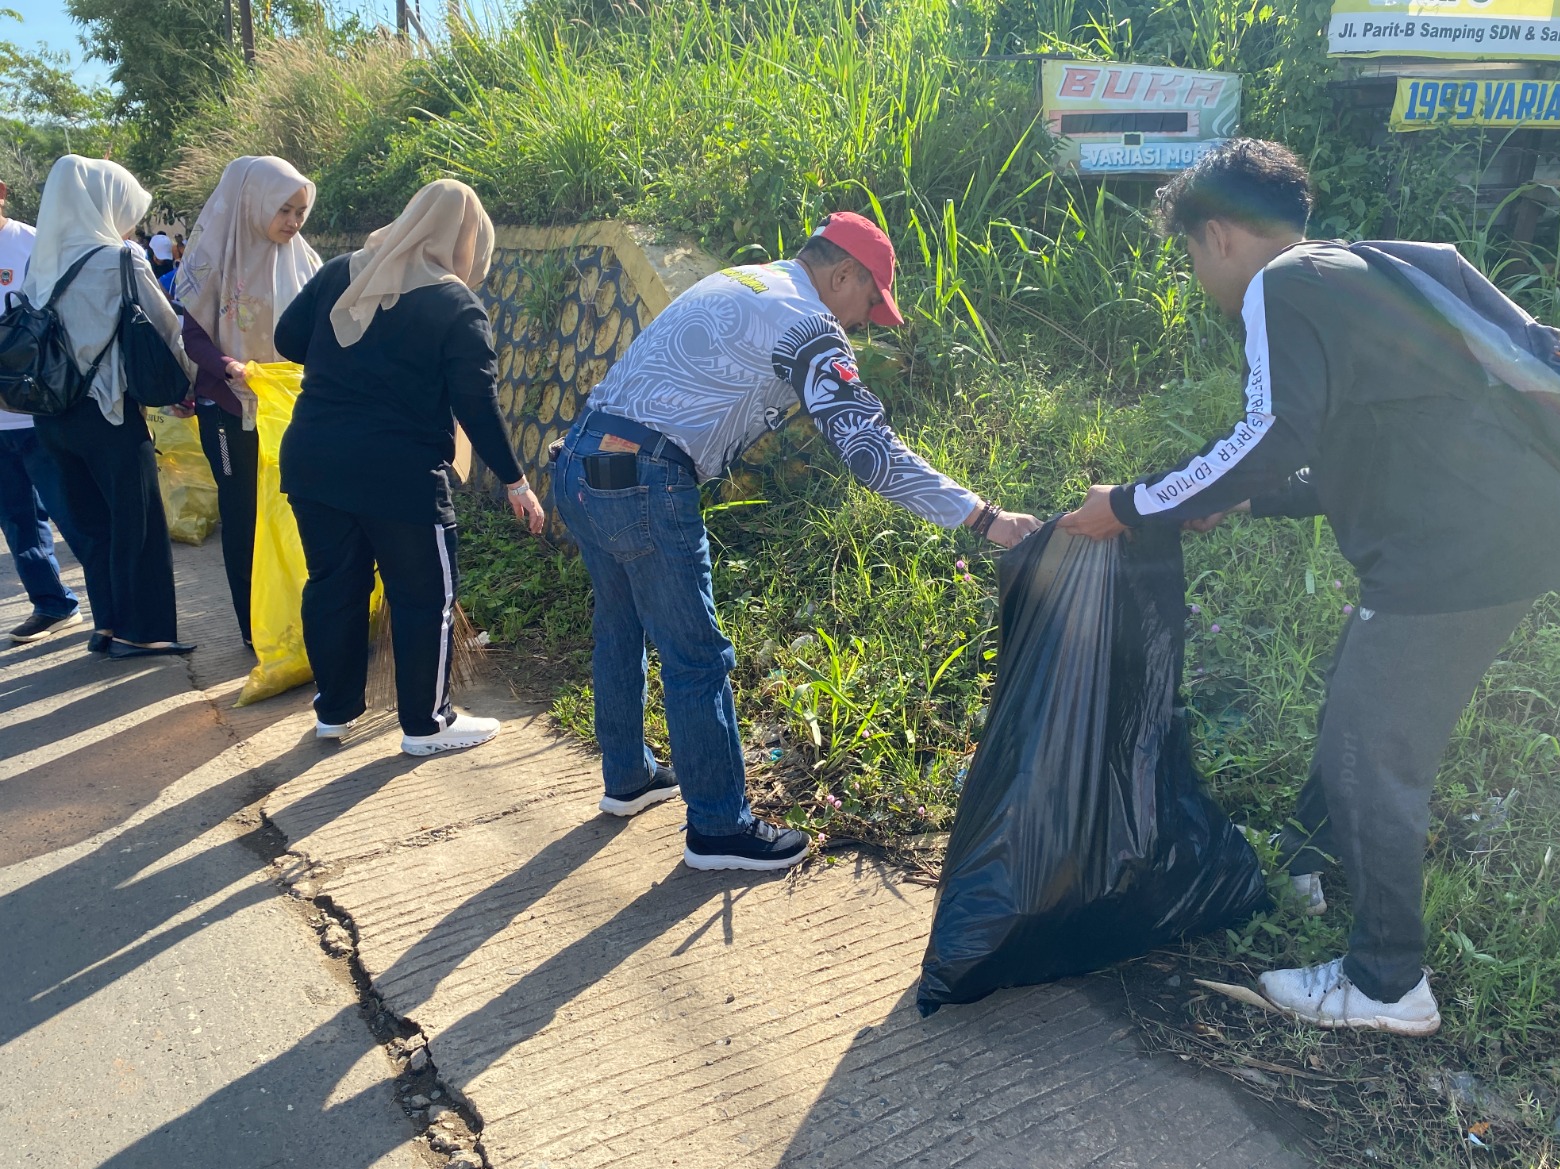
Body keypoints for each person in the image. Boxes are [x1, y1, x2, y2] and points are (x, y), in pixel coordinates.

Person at [1057, 139, 1560, 1036]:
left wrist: (1133, 504)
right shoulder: (1365, 270)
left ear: (1217, 234)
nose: (1199, 277)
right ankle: (1306, 864)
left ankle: (1388, 983)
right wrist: (1237, 506)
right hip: (1509, 527)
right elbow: (1352, 454)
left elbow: (1270, 434)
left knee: (1370, 749)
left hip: (1455, 552)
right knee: (1359, 696)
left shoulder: (1284, 286)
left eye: (1190, 255)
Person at [552, 212, 1043, 872]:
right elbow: (869, 451)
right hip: (642, 476)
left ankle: (629, 777)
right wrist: (985, 518)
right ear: (842, 274)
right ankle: (719, 830)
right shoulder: (809, 324)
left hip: (580, 460)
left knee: (619, 626)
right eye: (870, 302)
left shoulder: (743, 279)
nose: (866, 321)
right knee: (695, 655)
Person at [275, 179, 544, 756]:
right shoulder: (454, 302)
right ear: (468, 239)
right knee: (425, 597)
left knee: (333, 585)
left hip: (314, 459)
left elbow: (287, 337)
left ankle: (333, 712)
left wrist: (347, 362)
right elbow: (477, 403)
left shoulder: (343, 272)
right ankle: (427, 724)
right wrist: (516, 481)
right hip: (398, 475)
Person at [24, 155, 195, 659]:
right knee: (136, 522)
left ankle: (106, 625)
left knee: (92, 524)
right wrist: (183, 388)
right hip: (109, 411)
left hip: (51, 414)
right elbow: (166, 331)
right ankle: (144, 631)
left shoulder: (43, 259)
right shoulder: (121, 258)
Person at [173, 156, 320, 648]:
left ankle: (299, 623)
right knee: (243, 519)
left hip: (292, 411)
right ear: (255, 204)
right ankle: (256, 633)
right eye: (284, 210)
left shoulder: (304, 260)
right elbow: (191, 335)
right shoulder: (212, 255)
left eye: (301, 211)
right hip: (230, 408)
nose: (294, 222)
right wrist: (228, 367)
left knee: (295, 513)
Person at [0, 176, 85, 645]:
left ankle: (116, 610)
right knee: (16, 519)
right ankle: (52, 603)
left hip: (39, 411)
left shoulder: (30, 244)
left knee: (71, 509)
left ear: (1, 191)